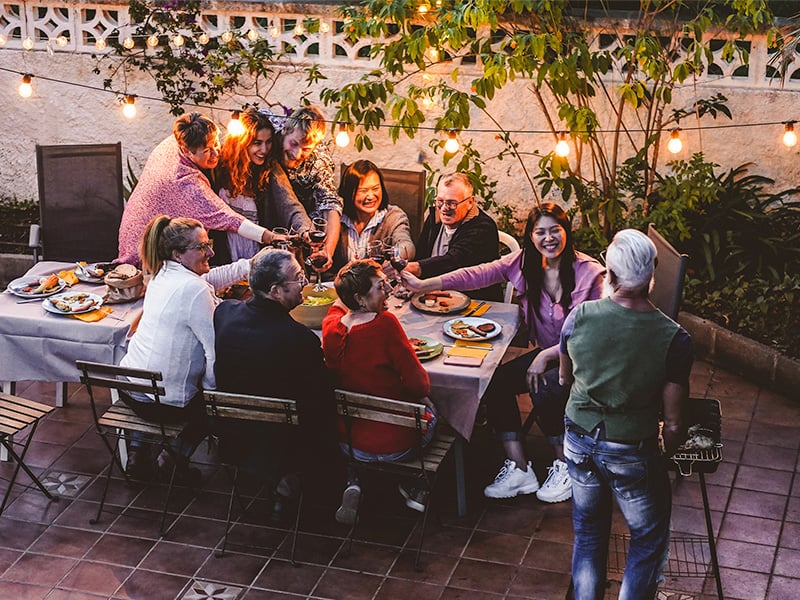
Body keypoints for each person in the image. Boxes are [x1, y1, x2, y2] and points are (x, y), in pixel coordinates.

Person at [402, 203, 604, 503]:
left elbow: (592, 335)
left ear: (566, 232)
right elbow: (475, 275)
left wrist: (544, 356)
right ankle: (520, 469)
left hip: (586, 365)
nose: (548, 239)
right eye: (540, 232)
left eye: (555, 231)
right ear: (531, 237)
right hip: (550, 360)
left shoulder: (590, 274)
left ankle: (567, 465)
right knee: (495, 383)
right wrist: (423, 284)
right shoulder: (525, 263)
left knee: (543, 386)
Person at [559, 229, 693, 600]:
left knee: (588, 533)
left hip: (578, 438)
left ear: (611, 276)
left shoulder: (581, 315)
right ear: (652, 274)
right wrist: (667, 452)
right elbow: (676, 421)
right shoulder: (674, 338)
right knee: (647, 538)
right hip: (631, 449)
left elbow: (564, 376)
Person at [119, 215, 250, 481]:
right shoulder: (194, 289)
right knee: (210, 405)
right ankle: (172, 458)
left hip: (129, 388)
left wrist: (248, 265)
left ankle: (136, 453)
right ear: (178, 254)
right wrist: (213, 396)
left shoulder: (158, 273)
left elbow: (207, 278)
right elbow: (213, 353)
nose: (211, 251)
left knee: (155, 372)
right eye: (202, 247)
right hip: (162, 404)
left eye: (208, 243)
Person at [213, 248, 342, 517]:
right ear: (275, 291)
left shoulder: (224, 313)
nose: (304, 282)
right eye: (297, 278)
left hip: (233, 436)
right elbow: (322, 399)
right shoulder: (299, 339)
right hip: (284, 443)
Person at [322, 259, 437, 520]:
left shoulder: (332, 328)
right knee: (437, 411)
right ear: (359, 298)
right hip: (395, 444)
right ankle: (416, 484)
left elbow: (334, 310)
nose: (387, 290)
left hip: (350, 443)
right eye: (379, 287)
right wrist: (425, 397)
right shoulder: (385, 324)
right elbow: (420, 384)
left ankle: (354, 481)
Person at [117, 113, 285, 266]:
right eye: (207, 151)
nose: (215, 153)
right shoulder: (185, 183)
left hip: (137, 236)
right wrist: (271, 237)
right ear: (186, 151)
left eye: (216, 144)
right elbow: (228, 218)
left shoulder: (173, 141)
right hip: (144, 256)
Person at [209, 107, 311, 263]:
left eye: (268, 142)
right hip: (226, 252)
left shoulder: (270, 169)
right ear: (241, 142)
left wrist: (305, 230)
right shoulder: (219, 168)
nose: (264, 150)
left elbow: (291, 205)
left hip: (260, 255)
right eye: (257, 143)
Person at [268, 105, 343, 274]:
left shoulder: (319, 160)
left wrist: (328, 251)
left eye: (306, 149)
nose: (297, 153)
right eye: (293, 144)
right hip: (265, 219)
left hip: (303, 233)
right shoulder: (269, 137)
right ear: (285, 130)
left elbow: (331, 205)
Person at [403, 172, 502, 301]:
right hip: (432, 298)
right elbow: (421, 254)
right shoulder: (435, 218)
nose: (444, 208)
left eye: (451, 203)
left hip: (474, 302)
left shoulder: (483, 228)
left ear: (470, 202)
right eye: (440, 201)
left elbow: (453, 261)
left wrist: (412, 268)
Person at [332, 159, 415, 271]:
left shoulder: (394, 216)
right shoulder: (336, 217)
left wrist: (397, 255)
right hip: (338, 286)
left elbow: (406, 244)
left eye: (375, 188)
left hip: (379, 286)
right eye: (363, 190)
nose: (371, 196)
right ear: (349, 191)